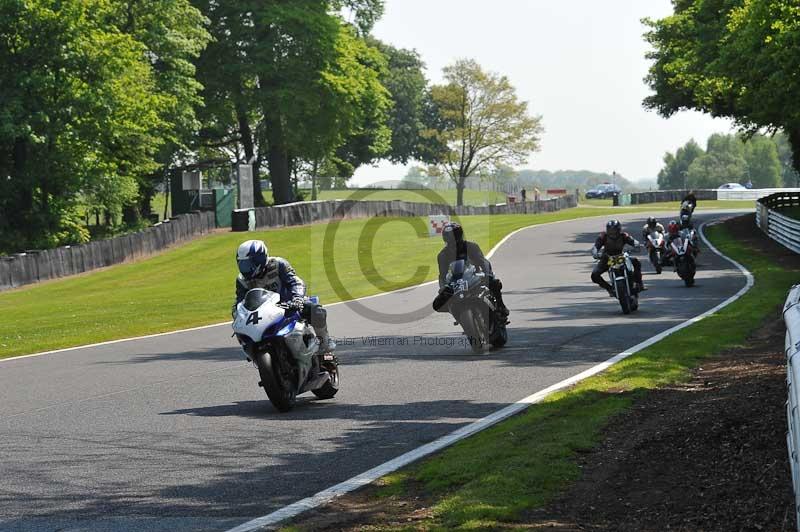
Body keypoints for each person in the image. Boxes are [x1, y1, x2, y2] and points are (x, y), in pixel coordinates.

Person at [233, 239, 335, 353]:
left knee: (316, 310)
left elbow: (296, 282)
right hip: (264, 314)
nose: (246, 268)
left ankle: (324, 342)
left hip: (289, 306)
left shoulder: (278, 264)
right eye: (242, 264)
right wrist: (237, 315)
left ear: (260, 259)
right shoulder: (242, 280)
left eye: (249, 264)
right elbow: (239, 302)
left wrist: (297, 299)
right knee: (244, 335)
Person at [432, 222, 509, 316]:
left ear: (460, 235)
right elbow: (442, 274)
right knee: (437, 304)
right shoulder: (443, 255)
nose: (452, 240)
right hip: (457, 283)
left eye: (454, 236)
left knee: (494, 283)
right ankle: (457, 313)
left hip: (474, 277)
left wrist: (488, 273)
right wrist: (443, 287)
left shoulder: (471, 246)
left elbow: (483, 261)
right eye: (449, 237)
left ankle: (501, 306)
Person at [591, 219, 645, 297]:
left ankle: (639, 283)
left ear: (619, 230)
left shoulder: (624, 236)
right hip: (607, 258)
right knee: (594, 275)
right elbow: (596, 247)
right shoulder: (603, 237)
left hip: (621, 257)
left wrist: (636, 245)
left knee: (636, 262)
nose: (612, 233)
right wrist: (595, 253)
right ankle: (610, 289)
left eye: (614, 230)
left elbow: (634, 242)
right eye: (610, 230)